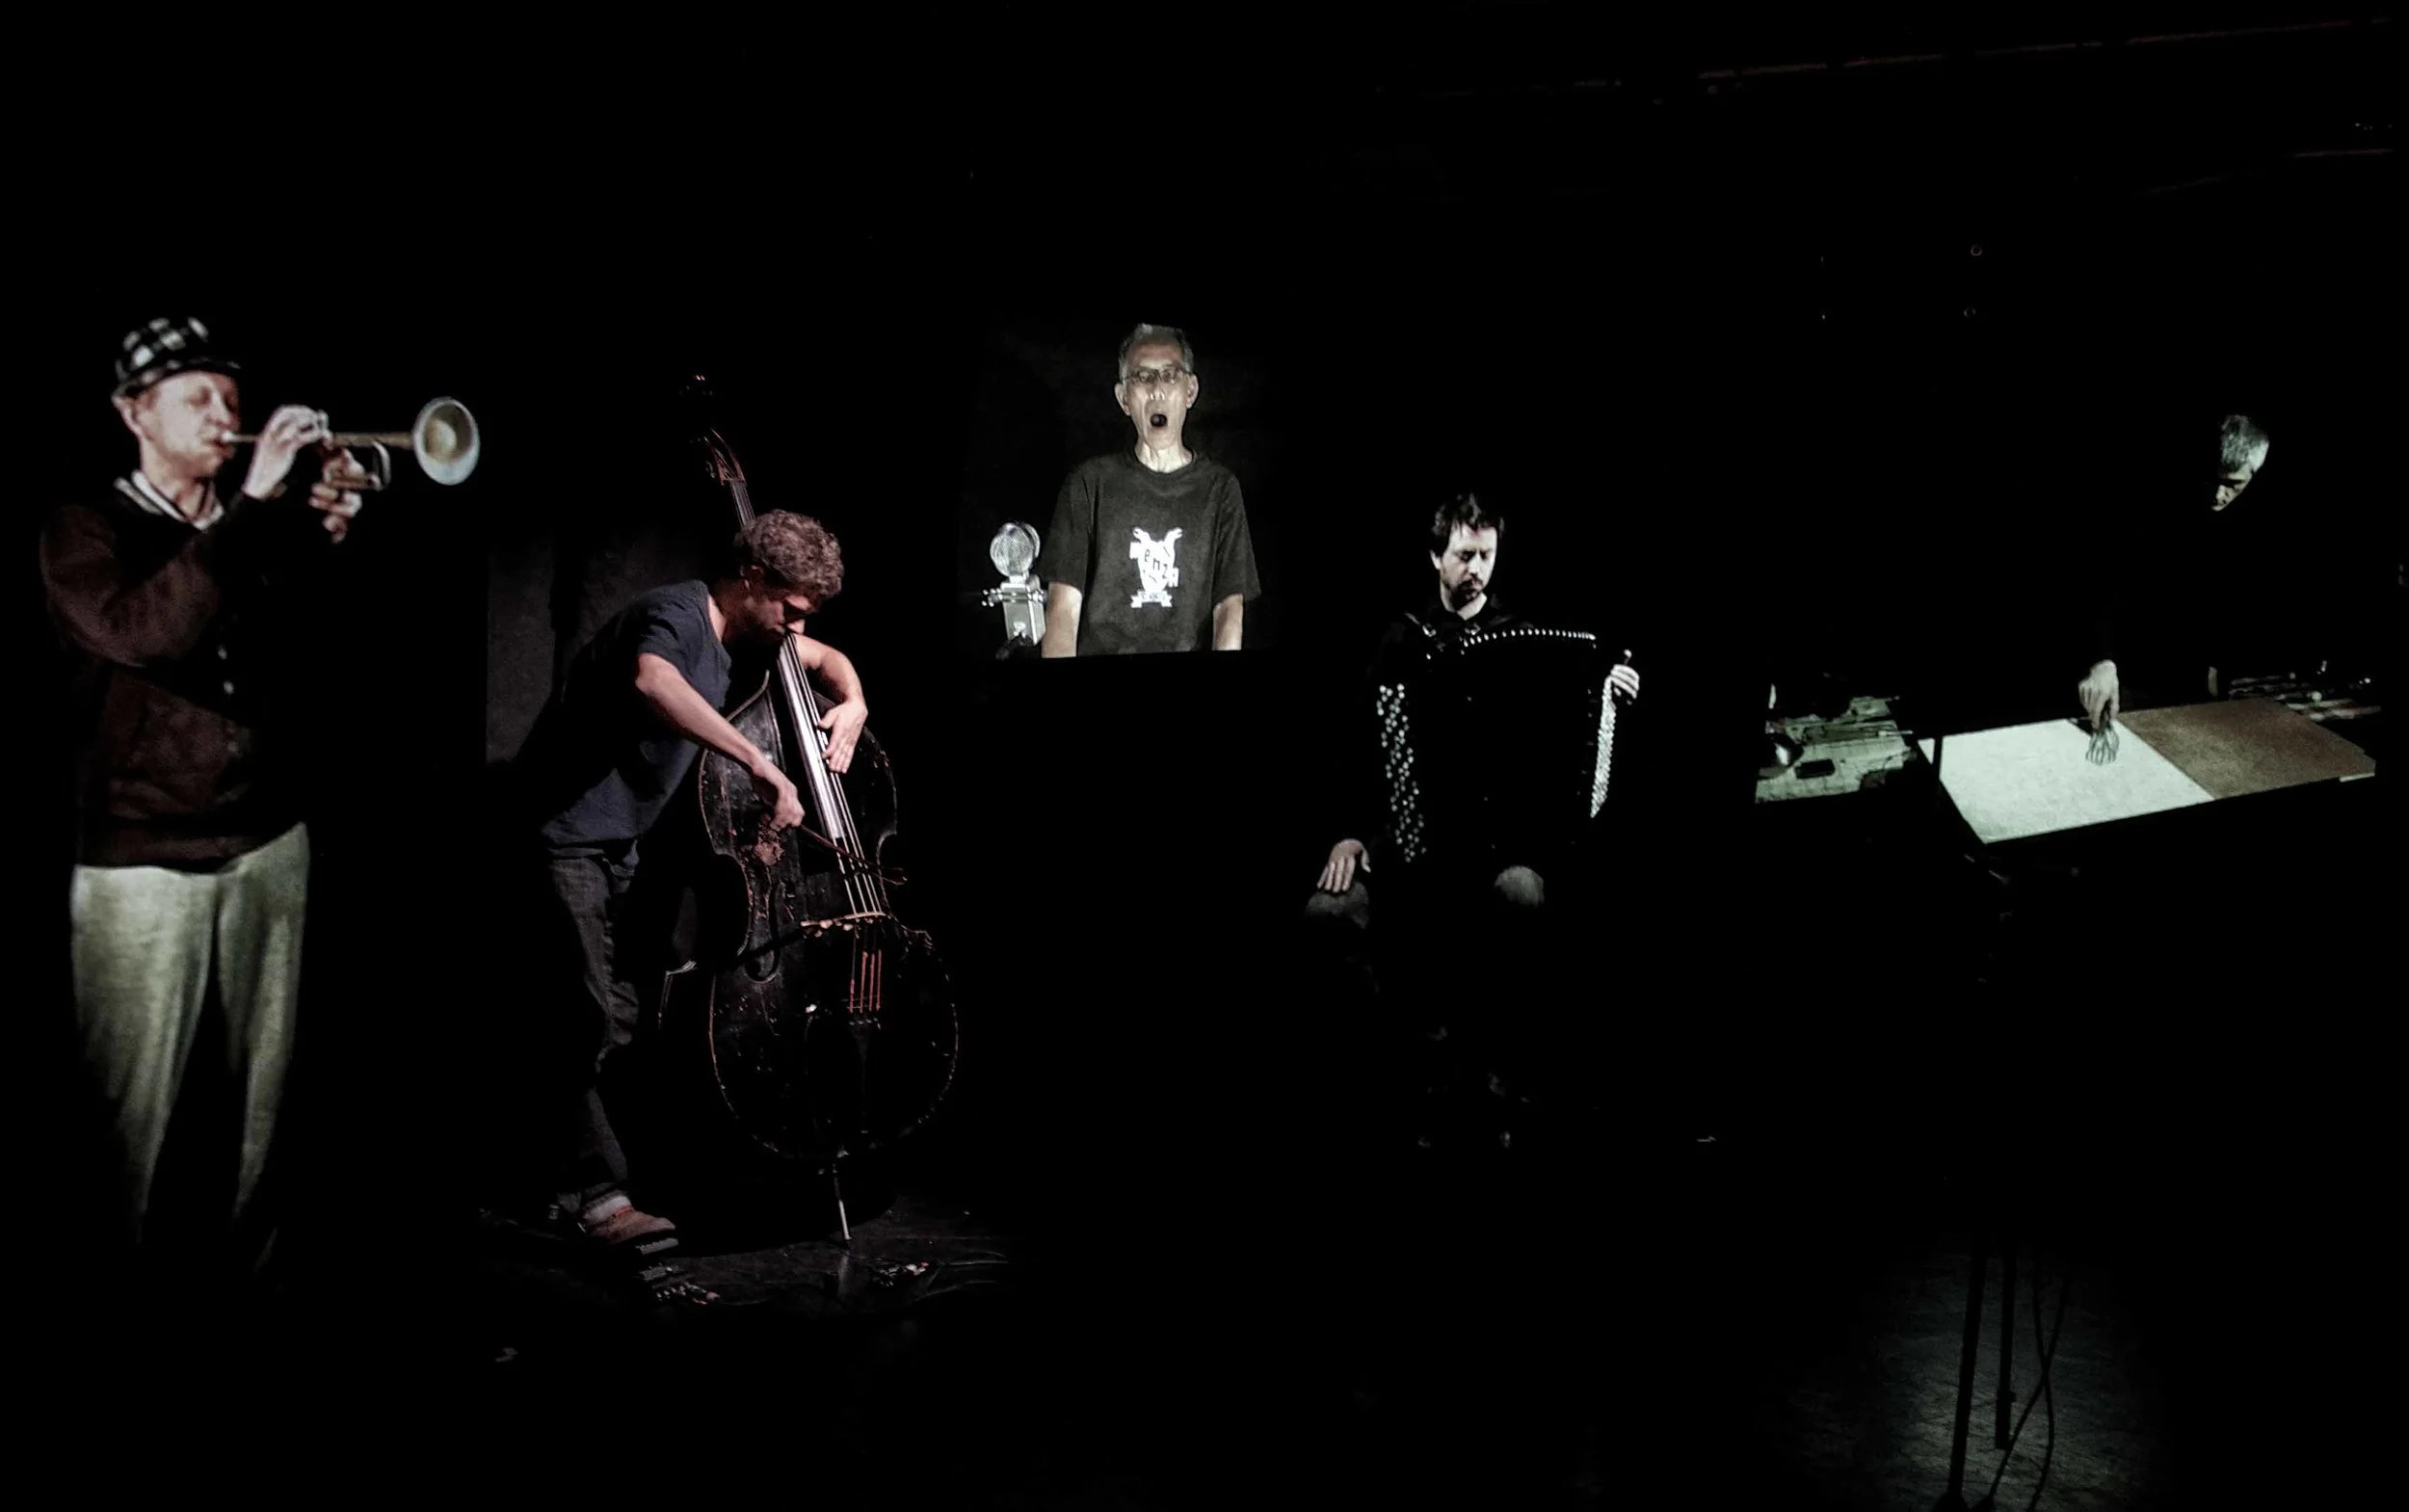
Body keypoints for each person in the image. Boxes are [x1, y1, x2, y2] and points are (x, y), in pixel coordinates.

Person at [40, 316, 371, 1290]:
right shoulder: (84, 530)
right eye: (196, 398)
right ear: (133, 413)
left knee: (264, 1110)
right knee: (124, 1118)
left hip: (269, 844)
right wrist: (256, 507)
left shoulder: (256, 528)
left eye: (230, 397)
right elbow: (147, 633)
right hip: (140, 864)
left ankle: (245, 1297)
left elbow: (312, 661)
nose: (223, 415)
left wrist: (328, 535)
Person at [502, 510, 867, 1256]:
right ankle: (596, 1197)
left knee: (619, 1020)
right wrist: (756, 761)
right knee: (583, 1018)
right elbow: (654, 680)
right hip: (560, 840)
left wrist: (855, 703)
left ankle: (551, 1180)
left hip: (617, 851)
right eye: (791, 610)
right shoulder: (674, 613)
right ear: (753, 578)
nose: (796, 630)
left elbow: (829, 662)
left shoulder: (755, 634)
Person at [1302, 493, 1638, 1145]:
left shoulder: (1527, 641)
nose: (1476, 569)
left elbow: (1579, 718)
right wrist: (1346, 832)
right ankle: (1410, 1079)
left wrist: (1613, 687)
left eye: (1486, 555)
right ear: (1436, 557)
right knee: (1325, 916)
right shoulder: (1399, 644)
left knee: (1522, 895)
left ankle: (1500, 1082)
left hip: (1501, 844)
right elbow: (1350, 752)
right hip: (1410, 846)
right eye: (1463, 555)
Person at [1036, 323, 1260, 655]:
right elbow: (1063, 611)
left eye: (1170, 375)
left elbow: (1229, 611)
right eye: (1142, 377)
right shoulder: (1088, 484)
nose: (1157, 390)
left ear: (1190, 391)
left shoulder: (1221, 489)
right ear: (1124, 398)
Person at [2078, 413, 2302, 724]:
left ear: (2257, 471)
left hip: (2204, 681)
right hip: (2136, 669)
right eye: (2214, 479)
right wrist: (2102, 659)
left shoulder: (2269, 519)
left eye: (2233, 484)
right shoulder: (2159, 506)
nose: (2218, 494)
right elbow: (2109, 584)